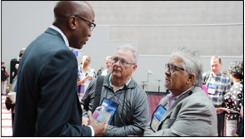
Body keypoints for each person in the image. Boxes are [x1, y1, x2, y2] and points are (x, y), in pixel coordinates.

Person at [13, 1, 106, 136]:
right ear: (73, 22)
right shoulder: (62, 56)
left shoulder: (36, 45)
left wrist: (76, 119)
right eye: (90, 25)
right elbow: (52, 132)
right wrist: (91, 131)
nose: (90, 33)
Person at [144, 47, 217, 136]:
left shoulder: (199, 106)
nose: (166, 72)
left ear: (190, 78)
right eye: (168, 67)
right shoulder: (165, 101)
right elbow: (150, 127)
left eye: (173, 68)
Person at [81, 44, 149, 136]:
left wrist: (104, 129)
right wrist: (86, 119)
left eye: (123, 61)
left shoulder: (139, 95)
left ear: (134, 68)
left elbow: (139, 127)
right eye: (115, 59)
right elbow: (82, 107)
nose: (117, 64)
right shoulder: (96, 83)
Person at [202, 56, 231, 136]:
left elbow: (227, 97)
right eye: (212, 65)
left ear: (220, 64)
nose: (214, 67)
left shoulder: (226, 79)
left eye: (216, 65)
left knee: (217, 132)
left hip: (219, 112)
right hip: (206, 111)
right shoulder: (205, 76)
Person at [216, 61, 243, 136]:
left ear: (232, 74)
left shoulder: (237, 87)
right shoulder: (240, 85)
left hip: (234, 120)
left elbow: (239, 108)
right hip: (234, 119)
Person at [5, 48, 26, 131]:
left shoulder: (34, 76)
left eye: (23, 55)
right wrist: (8, 102)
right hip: (15, 115)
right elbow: (12, 93)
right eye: (20, 56)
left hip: (27, 117)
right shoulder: (16, 78)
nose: (21, 59)